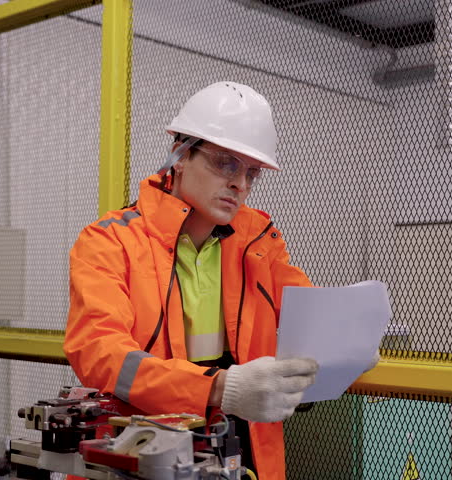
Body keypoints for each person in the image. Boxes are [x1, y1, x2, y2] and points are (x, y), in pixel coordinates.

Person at [65, 82, 348, 479]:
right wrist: (219, 389)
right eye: (226, 164)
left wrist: (346, 342)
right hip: (145, 447)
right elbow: (101, 353)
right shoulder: (110, 241)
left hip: (242, 447)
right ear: (180, 155)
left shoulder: (258, 241)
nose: (241, 184)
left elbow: (309, 311)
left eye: (251, 172)